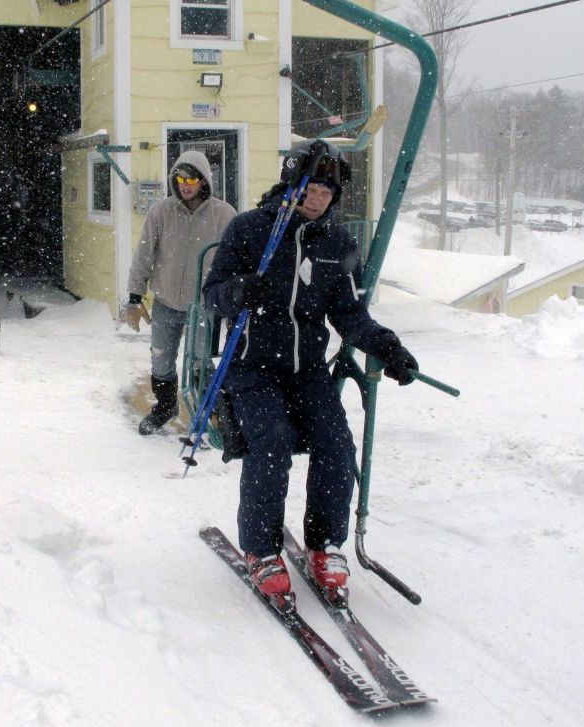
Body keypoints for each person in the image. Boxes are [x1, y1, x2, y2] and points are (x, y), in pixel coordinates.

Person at [202, 139, 419, 601]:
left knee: (336, 444)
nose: (316, 198)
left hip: (307, 373)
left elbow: (349, 314)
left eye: (326, 191)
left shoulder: (337, 244)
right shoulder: (248, 230)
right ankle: (261, 549)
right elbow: (212, 293)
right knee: (273, 438)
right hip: (252, 367)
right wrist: (238, 291)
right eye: (310, 187)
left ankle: (324, 543)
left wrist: (388, 347)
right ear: (290, 182)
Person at [124, 150, 236, 434]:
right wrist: (135, 297)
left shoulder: (224, 215)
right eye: (181, 178)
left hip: (203, 306)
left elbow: (236, 261)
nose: (186, 184)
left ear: (204, 182)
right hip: (166, 301)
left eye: (192, 179)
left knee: (200, 362)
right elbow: (144, 255)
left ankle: (206, 413)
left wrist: (233, 300)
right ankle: (165, 407)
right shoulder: (161, 212)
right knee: (161, 360)